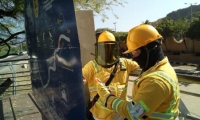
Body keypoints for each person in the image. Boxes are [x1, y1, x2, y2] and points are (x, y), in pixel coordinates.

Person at [95, 24, 180, 120]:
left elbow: (133, 113)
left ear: (150, 48)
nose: (134, 57)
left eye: (136, 52)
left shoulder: (156, 81)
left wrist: (107, 98)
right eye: (132, 53)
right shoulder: (160, 67)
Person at [82, 31, 139, 120]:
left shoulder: (125, 63)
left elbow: (145, 67)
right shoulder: (91, 66)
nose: (107, 50)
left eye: (109, 47)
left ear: (114, 48)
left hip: (119, 115)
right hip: (100, 116)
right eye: (104, 47)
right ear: (99, 49)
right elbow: (80, 78)